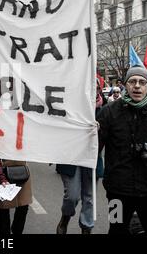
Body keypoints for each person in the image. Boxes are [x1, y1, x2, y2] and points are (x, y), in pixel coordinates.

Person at [97, 66, 147, 234]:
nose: (137, 86)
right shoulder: (109, 112)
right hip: (117, 192)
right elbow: (94, 149)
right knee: (116, 230)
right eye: (132, 81)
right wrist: (92, 133)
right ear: (125, 85)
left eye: (142, 82)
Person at [55, 78, 104, 234]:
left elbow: (110, 137)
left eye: (96, 87)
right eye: (90, 87)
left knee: (89, 197)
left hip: (91, 160)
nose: (93, 90)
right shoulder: (69, 108)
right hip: (71, 158)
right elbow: (57, 130)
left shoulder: (104, 110)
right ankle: (65, 217)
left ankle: (86, 228)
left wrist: (99, 131)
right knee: (72, 196)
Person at [0, 160, 32, 235]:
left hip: (23, 171)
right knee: (4, 208)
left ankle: (17, 231)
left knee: (23, 206)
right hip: (4, 171)